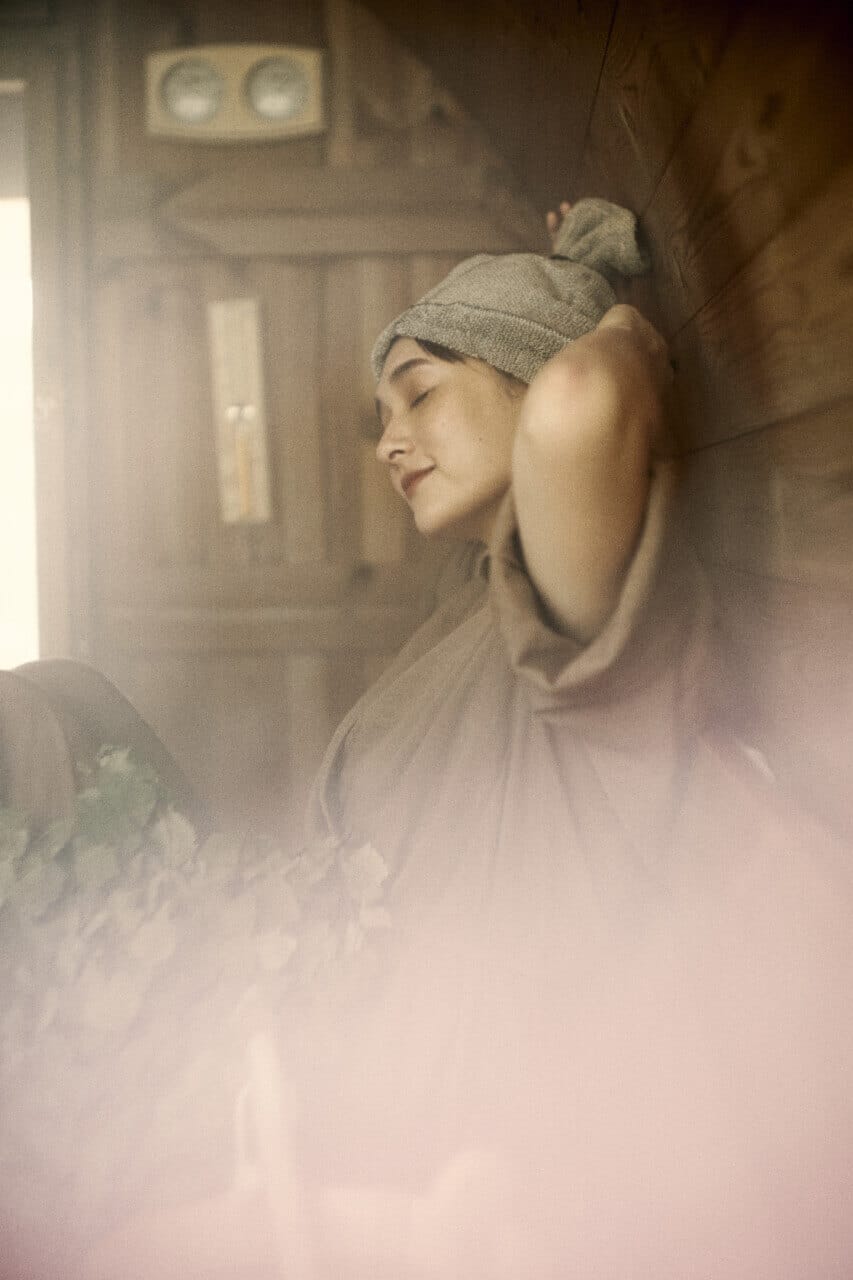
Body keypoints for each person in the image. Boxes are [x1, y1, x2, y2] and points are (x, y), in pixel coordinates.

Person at [87, 199, 853, 1279]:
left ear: (532, 375)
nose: (390, 440)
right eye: (384, 412)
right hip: (349, 1070)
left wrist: (619, 320)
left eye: (420, 393)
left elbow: (581, 405)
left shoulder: (580, 602)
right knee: (60, 707)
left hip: (478, 1150)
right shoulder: (474, 593)